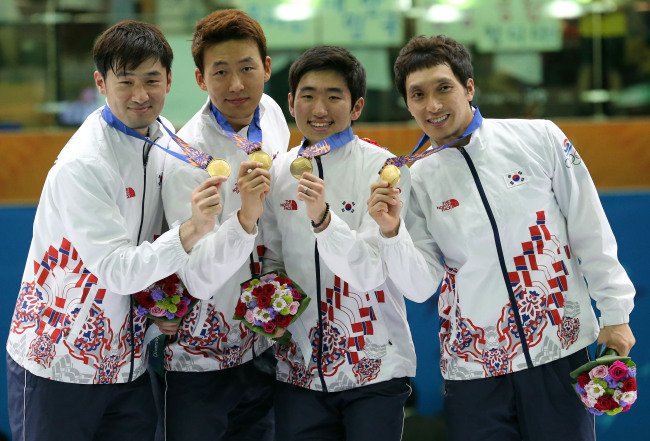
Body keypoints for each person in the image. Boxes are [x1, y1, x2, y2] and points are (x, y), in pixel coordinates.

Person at [369, 35, 636, 441]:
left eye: (444, 88)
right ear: (407, 104)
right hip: (474, 370)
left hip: (559, 351)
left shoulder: (539, 139)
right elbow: (421, 287)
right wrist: (391, 233)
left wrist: (616, 313)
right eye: (418, 94)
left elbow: (590, 230)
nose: (433, 106)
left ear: (469, 87)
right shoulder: (415, 179)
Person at [5, 20, 237, 441]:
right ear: (100, 82)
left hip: (128, 363)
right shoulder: (84, 164)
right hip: (58, 362)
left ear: (169, 79)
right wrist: (191, 231)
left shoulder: (165, 136)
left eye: (152, 80)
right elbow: (116, 270)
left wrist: (161, 309)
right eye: (125, 82)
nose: (140, 95)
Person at [260, 45, 415, 441]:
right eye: (308, 95)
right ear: (291, 102)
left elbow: (370, 271)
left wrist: (323, 218)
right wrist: (267, 312)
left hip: (374, 367)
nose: (319, 108)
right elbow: (274, 257)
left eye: (334, 96)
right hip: (298, 372)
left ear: (357, 106)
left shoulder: (384, 171)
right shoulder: (278, 172)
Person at [159, 9, 289, 441]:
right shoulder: (186, 156)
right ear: (200, 79)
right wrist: (244, 219)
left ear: (267, 69)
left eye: (248, 68)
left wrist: (277, 321)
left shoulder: (270, 114)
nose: (236, 85)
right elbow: (196, 276)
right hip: (198, 355)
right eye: (221, 72)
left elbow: (275, 233)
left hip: (262, 340)